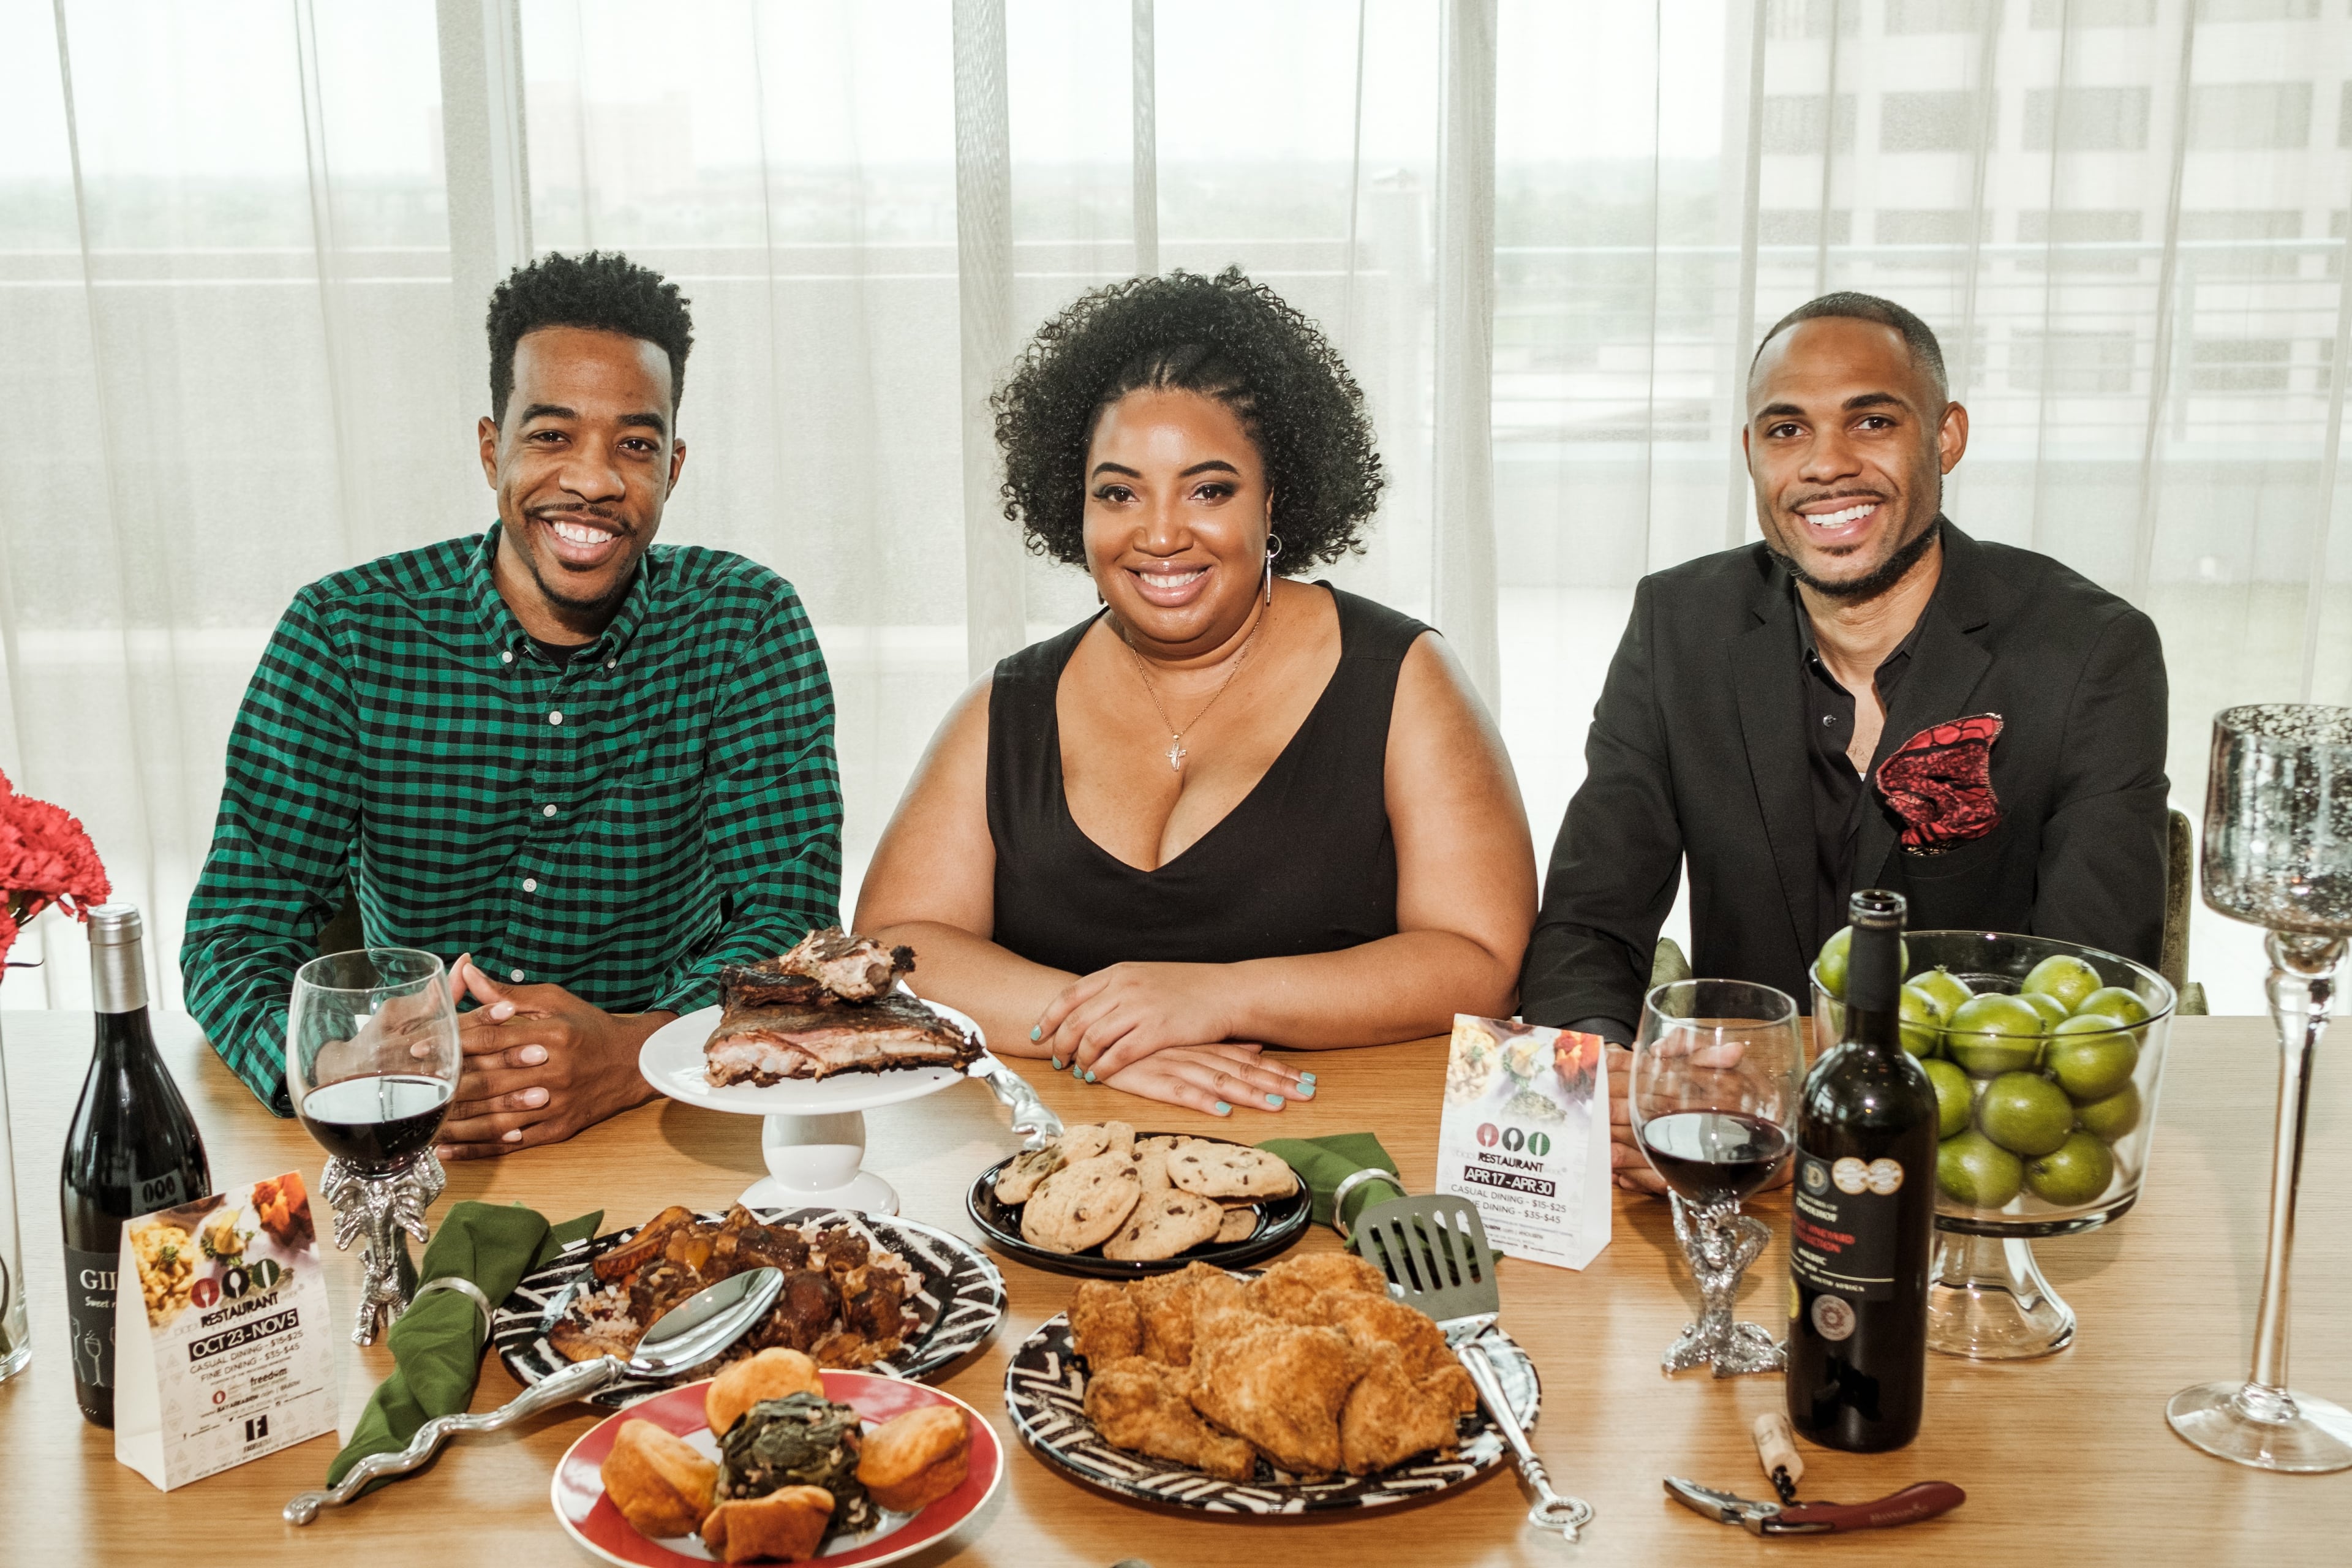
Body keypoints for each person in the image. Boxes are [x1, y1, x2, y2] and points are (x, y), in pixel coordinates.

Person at [183, 251, 842, 1156]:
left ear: (674, 467)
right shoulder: (344, 633)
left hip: (655, 1113)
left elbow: (789, 922)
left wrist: (634, 1050)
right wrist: (334, 1067)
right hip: (412, 1125)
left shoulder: (745, 626)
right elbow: (234, 931)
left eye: (635, 445)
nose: (594, 480)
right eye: (551, 436)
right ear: (492, 447)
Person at [1520, 291, 2168, 1193]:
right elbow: (1590, 923)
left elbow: (2094, 981)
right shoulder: (1679, 626)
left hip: (1971, 1170)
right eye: (1786, 430)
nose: (1827, 464)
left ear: (1945, 438)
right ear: (1751, 453)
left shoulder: (2091, 651)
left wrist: (1804, 1065)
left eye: (1871, 421)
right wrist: (1601, 1087)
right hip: (1729, 1163)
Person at [856, 268, 1534, 1115]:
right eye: (1119, 493)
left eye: (1209, 489)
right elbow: (897, 945)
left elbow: (1478, 959)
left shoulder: (1402, 678)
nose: (1162, 534)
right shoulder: (1009, 705)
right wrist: (1103, 1038)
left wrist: (1214, 997)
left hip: (1338, 1150)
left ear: (1273, 500)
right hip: (1055, 1155)